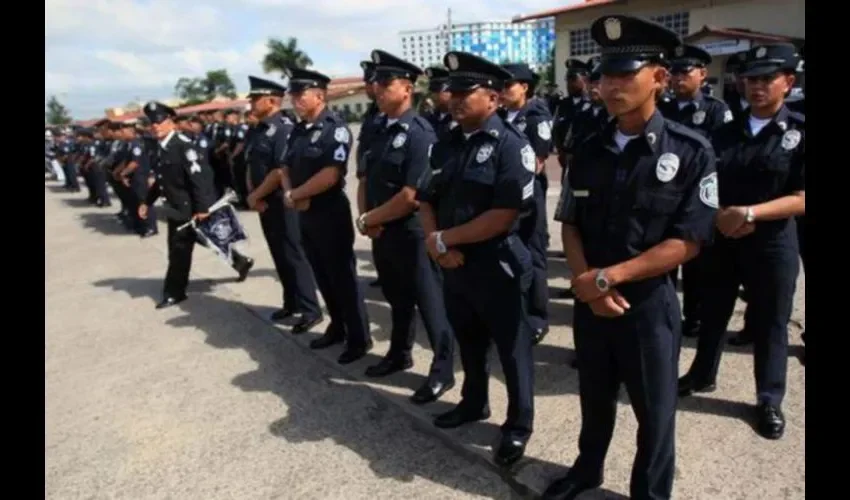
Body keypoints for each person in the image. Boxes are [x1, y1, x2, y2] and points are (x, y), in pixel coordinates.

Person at [546, 15, 717, 500]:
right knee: (594, 397)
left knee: (654, 411)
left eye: (625, 74)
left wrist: (608, 278)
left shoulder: (690, 151)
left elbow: (688, 240)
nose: (611, 86)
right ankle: (587, 469)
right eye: (605, 75)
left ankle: (650, 492)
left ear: (658, 77)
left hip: (646, 305)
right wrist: (586, 281)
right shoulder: (588, 147)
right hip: (592, 301)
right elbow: (570, 220)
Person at [678, 43, 805, 440]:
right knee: (713, 311)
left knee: (771, 321)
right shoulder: (723, 133)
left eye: (767, 79)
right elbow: (702, 184)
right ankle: (702, 374)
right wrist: (719, 215)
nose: (757, 87)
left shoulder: (799, 132)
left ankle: (769, 397)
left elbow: (802, 197)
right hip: (722, 238)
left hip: (772, 243)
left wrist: (750, 213)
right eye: (750, 79)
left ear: (788, 82)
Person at [416, 51, 536, 467]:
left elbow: (503, 215)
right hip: (455, 265)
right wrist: (437, 243)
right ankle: (473, 402)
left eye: (466, 92)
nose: (455, 99)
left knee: (513, 351)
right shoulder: (444, 144)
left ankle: (518, 425)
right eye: (453, 92)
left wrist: (443, 240)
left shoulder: (511, 146)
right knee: (469, 342)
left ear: (493, 98)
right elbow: (425, 197)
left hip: (497, 264)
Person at [248, 67, 373, 365]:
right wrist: (291, 194)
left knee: (343, 277)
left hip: (329, 212)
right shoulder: (298, 129)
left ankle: (358, 338)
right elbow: (284, 166)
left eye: (299, 94)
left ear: (319, 95)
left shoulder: (335, 128)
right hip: (304, 212)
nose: (294, 99)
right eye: (292, 94)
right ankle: (337, 327)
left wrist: (296, 195)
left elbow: (331, 174)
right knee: (322, 275)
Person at [355, 49, 455, 403]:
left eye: (386, 83)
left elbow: (412, 195)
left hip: (412, 232)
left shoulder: (420, 133)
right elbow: (365, 179)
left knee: (431, 304)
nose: (378, 89)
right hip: (383, 231)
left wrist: (370, 219)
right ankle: (399, 353)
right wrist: (367, 220)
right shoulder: (378, 129)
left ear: (407, 88)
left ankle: (442, 371)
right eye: (376, 83)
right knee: (397, 298)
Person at [138, 101, 253, 309]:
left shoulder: (183, 146)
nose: (155, 127)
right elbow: (161, 180)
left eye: (159, 122)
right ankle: (241, 262)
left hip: (187, 208)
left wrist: (202, 208)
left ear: (171, 122)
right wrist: (147, 201)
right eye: (152, 123)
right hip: (176, 207)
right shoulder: (161, 147)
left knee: (178, 251)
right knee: (205, 238)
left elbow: (199, 179)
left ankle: (174, 293)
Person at [243, 76, 323, 331]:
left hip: (283, 202)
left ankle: (310, 309)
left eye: (256, 99)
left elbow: (279, 171)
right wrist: (253, 195)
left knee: (294, 255)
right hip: (264, 203)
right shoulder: (258, 129)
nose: (251, 103)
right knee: (279, 254)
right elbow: (251, 164)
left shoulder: (284, 128)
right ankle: (291, 302)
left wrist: (256, 195)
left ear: (271, 101)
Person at [500, 62, 553, 344]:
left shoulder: (536, 115)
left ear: (524, 87)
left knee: (533, 254)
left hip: (530, 196)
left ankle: (537, 318)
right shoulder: (499, 115)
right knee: (510, 254)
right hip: (504, 197)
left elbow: (537, 162)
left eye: (508, 85)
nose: (503, 90)